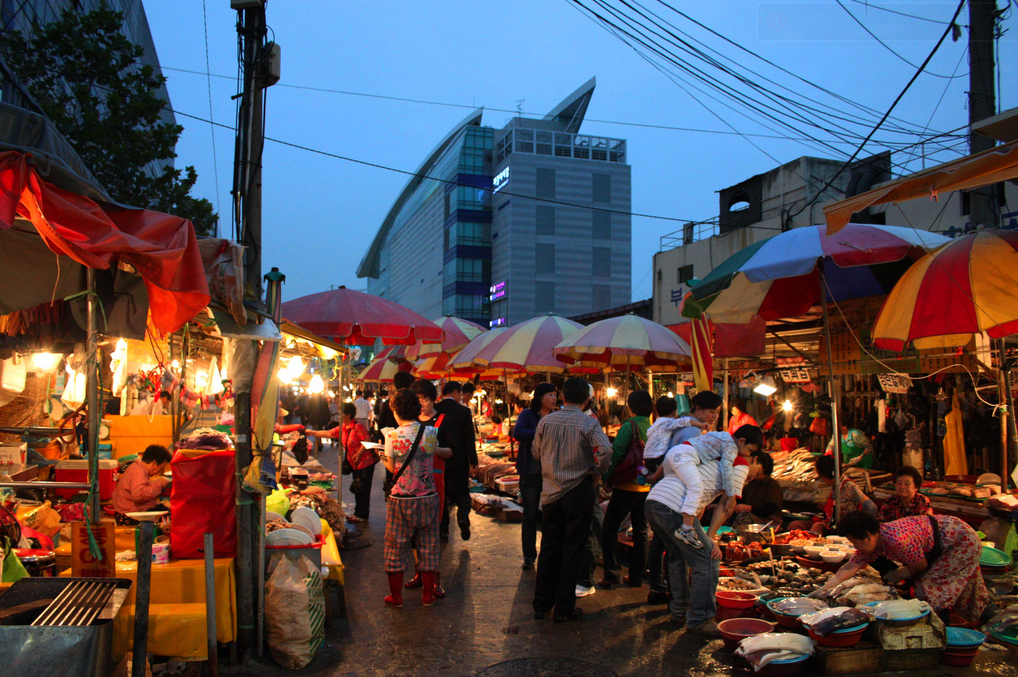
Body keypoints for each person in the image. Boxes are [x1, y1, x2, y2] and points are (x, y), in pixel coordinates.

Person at [644, 424, 763, 637]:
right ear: (753, 458)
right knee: (707, 559)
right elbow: (727, 506)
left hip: (654, 502)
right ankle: (700, 620)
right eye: (754, 456)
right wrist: (710, 539)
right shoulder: (740, 463)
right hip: (674, 507)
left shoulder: (711, 451)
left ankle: (679, 611)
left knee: (677, 555)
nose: (754, 472)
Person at [814, 511, 993, 625]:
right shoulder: (875, 541)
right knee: (965, 588)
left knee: (929, 587)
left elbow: (920, 566)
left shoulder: (897, 540)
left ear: (867, 535)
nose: (855, 546)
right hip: (948, 543)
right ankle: (990, 620)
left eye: (854, 541)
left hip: (961, 542)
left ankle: (939, 632)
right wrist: (824, 589)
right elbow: (850, 566)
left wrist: (899, 573)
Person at [531, 377, 613, 623]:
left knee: (549, 547)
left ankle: (541, 604)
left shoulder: (546, 421)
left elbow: (536, 451)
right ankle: (564, 608)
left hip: (550, 493)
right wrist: (597, 471)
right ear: (587, 399)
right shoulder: (588, 423)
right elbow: (606, 450)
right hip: (578, 491)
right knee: (573, 548)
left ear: (562, 397)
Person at [646, 390, 721, 605]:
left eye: (716, 412)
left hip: (663, 492)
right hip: (675, 496)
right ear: (697, 409)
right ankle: (678, 599)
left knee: (663, 544)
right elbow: (682, 464)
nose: (714, 416)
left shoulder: (687, 427)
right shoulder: (692, 433)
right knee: (681, 552)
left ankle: (662, 591)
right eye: (711, 411)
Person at [381, 389, 452, 608]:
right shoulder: (431, 432)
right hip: (428, 496)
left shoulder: (392, 436)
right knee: (429, 545)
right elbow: (430, 457)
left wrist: (382, 457)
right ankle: (427, 596)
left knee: (395, 547)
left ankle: (397, 597)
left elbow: (393, 468)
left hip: (401, 499)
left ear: (395, 411)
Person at [663, 426, 763, 549]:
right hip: (685, 457)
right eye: (749, 450)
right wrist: (731, 495)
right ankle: (686, 529)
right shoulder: (732, 451)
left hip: (673, 454)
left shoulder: (720, 435)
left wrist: (653, 477)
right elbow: (726, 468)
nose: (748, 454)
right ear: (741, 441)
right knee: (696, 488)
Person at [599, 390, 654, 589]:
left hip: (627, 485)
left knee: (609, 527)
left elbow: (616, 454)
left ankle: (612, 574)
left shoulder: (629, 426)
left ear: (630, 407)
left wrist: (606, 477)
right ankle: (636, 576)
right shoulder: (653, 427)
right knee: (641, 531)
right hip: (648, 485)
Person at [307, 403, 377, 522]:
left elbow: (367, 440)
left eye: (341, 413)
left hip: (365, 463)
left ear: (348, 414)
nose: (339, 416)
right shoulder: (343, 427)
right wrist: (312, 433)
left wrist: (359, 454)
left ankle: (362, 515)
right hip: (355, 464)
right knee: (358, 488)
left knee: (363, 489)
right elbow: (329, 433)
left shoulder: (358, 427)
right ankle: (358, 513)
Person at [514, 383, 557, 570]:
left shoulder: (557, 416)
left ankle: (549, 554)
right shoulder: (527, 415)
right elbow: (517, 432)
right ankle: (529, 556)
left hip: (551, 474)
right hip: (530, 473)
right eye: (550, 394)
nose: (554, 398)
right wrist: (540, 432)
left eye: (555, 394)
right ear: (540, 397)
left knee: (550, 516)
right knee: (530, 515)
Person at [788, 455, 877, 534]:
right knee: (794, 525)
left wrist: (861, 526)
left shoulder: (849, 486)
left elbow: (871, 507)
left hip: (842, 527)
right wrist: (826, 505)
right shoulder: (835, 485)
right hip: (829, 522)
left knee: (816, 528)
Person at [435, 380, 478, 543]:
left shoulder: (435, 409)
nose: (461, 397)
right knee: (463, 493)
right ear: (455, 392)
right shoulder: (463, 412)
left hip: (440, 459)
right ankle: (462, 518)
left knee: (442, 495)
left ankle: (444, 529)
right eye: (460, 393)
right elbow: (470, 438)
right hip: (459, 459)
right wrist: (473, 460)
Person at [112, 445, 172, 525]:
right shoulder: (138, 472)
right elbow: (139, 496)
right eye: (160, 468)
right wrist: (159, 484)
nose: (159, 472)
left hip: (130, 511)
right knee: (171, 517)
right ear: (154, 463)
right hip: (129, 516)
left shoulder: (137, 467)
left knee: (167, 510)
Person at [731, 451, 783, 528]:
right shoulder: (751, 484)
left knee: (745, 516)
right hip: (750, 515)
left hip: (767, 521)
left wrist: (749, 508)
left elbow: (770, 509)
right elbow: (740, 501)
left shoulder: (771, 485)